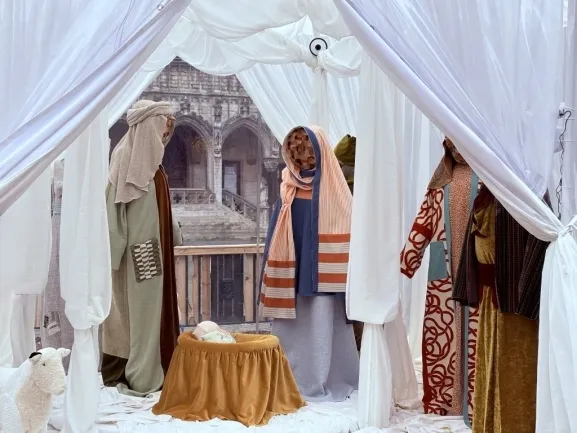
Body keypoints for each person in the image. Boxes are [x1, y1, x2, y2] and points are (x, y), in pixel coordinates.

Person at [259, 125, 359, 402]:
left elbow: (348, 231)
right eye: (297, 152)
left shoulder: (335, 191)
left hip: (324, 275)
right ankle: (288, 376)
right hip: (291, 272)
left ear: (320, 152)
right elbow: (276, 232)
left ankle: (324, 377)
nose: (302, 158)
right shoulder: (288, 188)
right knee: (290, 328)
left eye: (307, 152)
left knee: (324, 322)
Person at [101, 100, 182, 396]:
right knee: (138, 315)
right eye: (163, 127)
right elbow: (113, 212)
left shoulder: (154, 165)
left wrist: (173, 234)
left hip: (157, 249)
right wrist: (113, 258)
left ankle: (163, 366)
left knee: (157, 311)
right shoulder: (124, 160)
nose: (165, 135)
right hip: (137, 256)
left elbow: (161, 207)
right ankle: (140, 373)